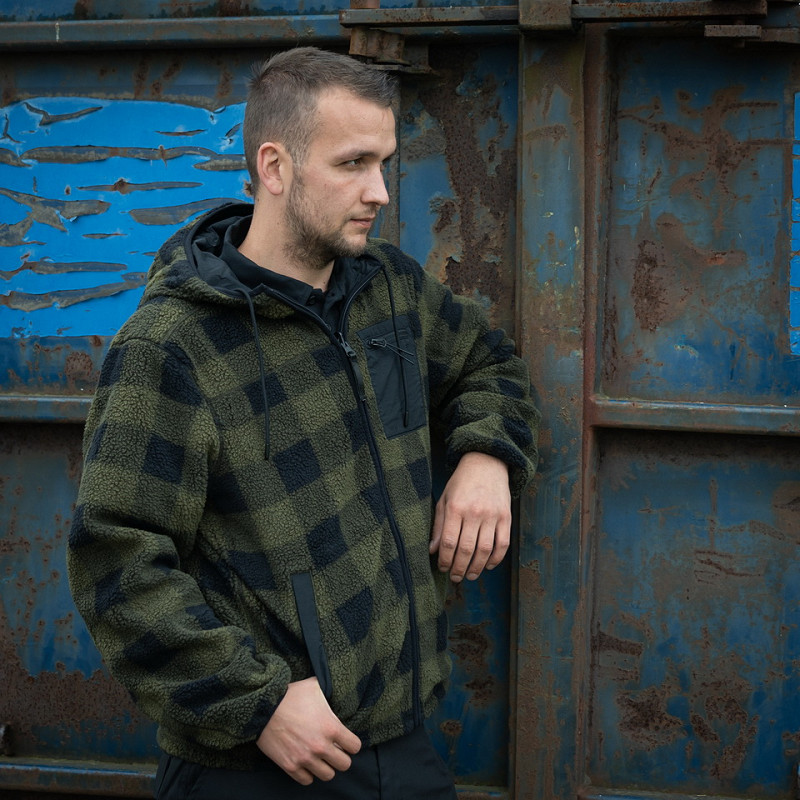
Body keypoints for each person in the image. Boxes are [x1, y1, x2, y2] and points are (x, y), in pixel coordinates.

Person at [67, 46, 539, 799]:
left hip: (401, 739)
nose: (379, 191)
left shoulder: (389, 289)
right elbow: (115, 564)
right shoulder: (173, 347)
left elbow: (489, 364)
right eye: (353, 164)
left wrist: (487, 457)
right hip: (256, 762)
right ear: (275, 167)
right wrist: (257, 704)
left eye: (383, 163)